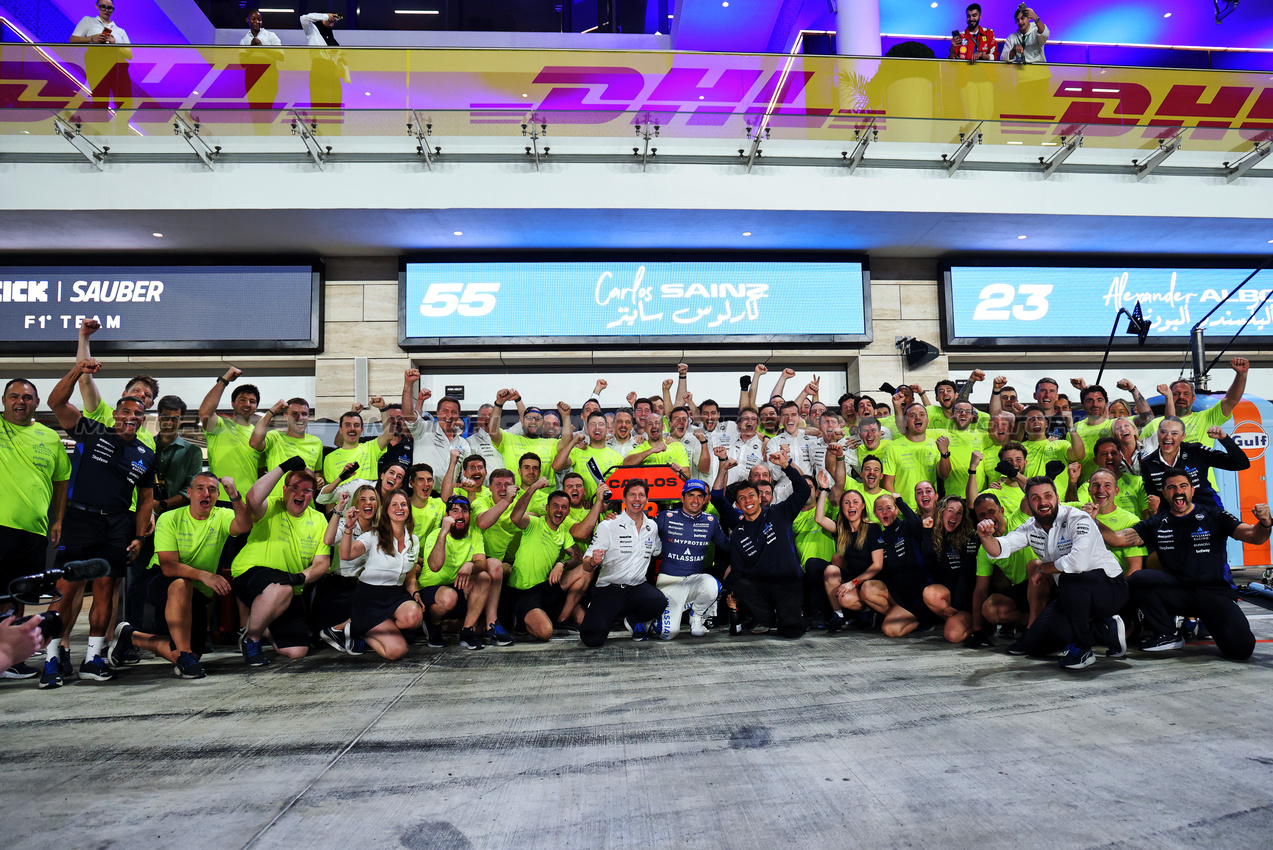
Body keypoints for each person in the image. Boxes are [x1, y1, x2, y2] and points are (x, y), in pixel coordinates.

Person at [42, 359, 156, 688]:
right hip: (81, 520)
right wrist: (78, 370)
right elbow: (56, 403)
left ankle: (94, 658)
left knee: (106, 590)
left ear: (142, 418)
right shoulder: (92, 430)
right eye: (126, 411)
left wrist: (138, 536)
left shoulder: (145, 454)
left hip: (117, 527)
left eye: (138, 413)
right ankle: (51, 659)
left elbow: (146, 498)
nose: (131, 417)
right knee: (65, 591)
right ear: (116, 413)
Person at [1092, 469, 1270, 660]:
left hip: (1214, 594)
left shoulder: (1214, 516)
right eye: (1171, 487)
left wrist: (1265, 523)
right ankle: (1167, 634)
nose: (1178, 491)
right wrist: (1094, 520)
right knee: (1139, 579)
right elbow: (1117, 539)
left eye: (1183, 486)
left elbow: (1254, 536)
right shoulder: (1157, 522)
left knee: (1241, 650)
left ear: (1192, 491)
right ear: (1165, 493)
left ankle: (1209, 622)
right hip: (1178, 593)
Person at [107, 472, 252, 679]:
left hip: (196, 593)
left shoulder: (221, 515)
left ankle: (131, 637)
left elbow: (245, 525)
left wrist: (235, 496)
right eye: (200, 488)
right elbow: (168, 566)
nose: (206, 494)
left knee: (196, 655)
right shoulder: (170, 518)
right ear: (190, 493)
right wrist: (205, 576)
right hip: (159, 581)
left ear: (218, 495)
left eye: (212, 490)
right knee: (181, 585)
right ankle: (184, 655)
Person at [977, 476, 1127, 670]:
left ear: (1057, 497)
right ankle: (1104, 629)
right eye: (1035, 498)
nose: (1043, 502)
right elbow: (1000, 547)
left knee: (1069, 578)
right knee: (1034, 645)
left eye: (1047, 496)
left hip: (1108, 588)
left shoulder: (1078, 518)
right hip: (1072, 596)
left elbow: (1078, 562)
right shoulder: (1031, 527)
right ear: (1028, 503)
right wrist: (986, 537)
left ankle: (1083, 649)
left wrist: (1043, 568)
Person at [0, 378, 70, 678]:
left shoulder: (49, 437)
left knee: (17, 596)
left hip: (33, 531)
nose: (20, 402)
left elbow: (62, 479)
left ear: (36, 403)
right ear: (4, 400)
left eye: (27, 397)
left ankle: (11, 658)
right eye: (14, 396)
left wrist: (59, 519)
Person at [231, 459, 330, 666]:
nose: (300, 494)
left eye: (307, 490)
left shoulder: (319, 519)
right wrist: (283, 467)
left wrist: (301, 576)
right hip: (250, 572)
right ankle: (251, 639)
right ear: (284, 489)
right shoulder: (271, 505)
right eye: (295, 488)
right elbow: (252, 498)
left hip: (289, 584)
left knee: (296, 651)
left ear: (313, 495)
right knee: (281, 589)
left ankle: (262, 622)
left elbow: (322, 563)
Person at [711, 447, 810, 638]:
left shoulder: (779, 513)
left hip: (786, 583)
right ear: (738, 505)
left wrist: (785, 465)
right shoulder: (737, 527)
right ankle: (766, 617)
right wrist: (723, 467)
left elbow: (803, 490)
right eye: (742, 498)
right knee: (736, 581)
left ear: (760, 498)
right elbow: (716, 497)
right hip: (759, 585)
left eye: (751, 496)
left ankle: (792, 615)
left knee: (791, 631)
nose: (747, 500)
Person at [507, 478, 607, 641]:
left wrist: (562, 564)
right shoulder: (534, 523)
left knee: (587, 570)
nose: (559, 510)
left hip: (546, 588)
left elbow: (578, 558)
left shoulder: (563, 532)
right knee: (545, 632)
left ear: (568, 511)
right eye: (555, 506)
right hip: (523, 593)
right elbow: (516, 517)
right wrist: (533, 488)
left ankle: (561, 620)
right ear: (547, 508)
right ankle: (524, 622)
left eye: (564, 507)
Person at [579, 480, 666, 646]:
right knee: (591, 640)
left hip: (637, 588)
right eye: (632, 495)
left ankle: (633, 620)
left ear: (647, 500)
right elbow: (585, 564)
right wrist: (593, 561)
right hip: (610, 589)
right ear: (624, 499)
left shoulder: (652, 527)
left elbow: (658, 550)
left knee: (659, 601)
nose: (637, 499)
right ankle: (600, 609)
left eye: (641, 495)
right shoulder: (608, 525)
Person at [339, 489, 423, 661]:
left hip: (394, 595)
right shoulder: (373, 535)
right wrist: (348, 528)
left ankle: (368, 629)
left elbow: (410, 577)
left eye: (403, 504)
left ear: (409, 510)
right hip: (368, 597)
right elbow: (346, 554)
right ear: (386, 510)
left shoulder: (413, 539)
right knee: (397, 652)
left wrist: (415, 593)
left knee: (414, 617)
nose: (400, 508)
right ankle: (359, 629)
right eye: (394, 505)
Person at [651, 479, 728, 639]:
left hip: (694, 580)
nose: (695, 500)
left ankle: (697, 617)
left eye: (700, 496)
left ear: (705, 499)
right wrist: (615, 520)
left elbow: (728, 545)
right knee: (668, 634)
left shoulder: (710, 521)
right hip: (668, 582)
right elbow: (642, 531)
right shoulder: (665, 517)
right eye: (691, 495)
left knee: (713, 585)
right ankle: (649, 619)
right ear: (682, 498)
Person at [419, 495, 491, 650]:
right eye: (455, 511)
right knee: (448, 597)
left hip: (457, 586)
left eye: (464, 511)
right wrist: (443, 533)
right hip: (432, 589)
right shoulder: (436, 534)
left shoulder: (474, 533)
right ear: (447, 516)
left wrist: (470, 565)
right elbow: (435, 566)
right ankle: (434, 625)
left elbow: (482, 563)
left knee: (483, 578)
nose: (460, 516)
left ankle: (467, 632)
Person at [858, 493, 934, 638]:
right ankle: (909, 618)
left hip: (918, 592)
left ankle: (924, 618)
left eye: (888, 508)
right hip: (899, 594)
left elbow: (917, 523)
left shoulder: (907, 526)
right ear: (875, 514)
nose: (885, 512)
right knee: (867, 588)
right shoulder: (882, 536)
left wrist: (899, 500)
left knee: (890, 630)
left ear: (896, 510)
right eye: (880, 509)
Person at [964, 492, 1035, 647]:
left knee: (1035, 566)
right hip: (1020, 591)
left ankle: (1035, 627)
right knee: (990, 609)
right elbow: (980, 590)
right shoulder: (984, 549)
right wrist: (977, 629)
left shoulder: (1019, 519)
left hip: (1042, 583)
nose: (988, 518)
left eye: (991, 511)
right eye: (982, 515)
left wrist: (1016, 475)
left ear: (1002, 511)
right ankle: (1030, 620)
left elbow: (1031, 494)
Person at [316, 485, 379, 655]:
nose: (368, 503)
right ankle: (347, 631)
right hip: (340, 584)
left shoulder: (380, 528)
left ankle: (353, 633)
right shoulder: (346, 521)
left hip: (364, 585)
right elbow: (328, 540)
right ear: (356, 504)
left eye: (372, 499)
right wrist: (339, 509)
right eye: (363, 499)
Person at [1141, 419, 1249, 512]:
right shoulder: (1148, 463)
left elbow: (1241, 464)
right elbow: (1154, 498)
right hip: (1176, 520)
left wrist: (1224, 439)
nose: (1168, 437)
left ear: (1183, 436)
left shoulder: (1196, 451)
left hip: (1208, 512)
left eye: (1174, 433)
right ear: (1157, 434)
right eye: (1163, 432)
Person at [815, 488, 885, 628]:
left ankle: (871, 609)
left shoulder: (872, 528)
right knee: (830, 570)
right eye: (846, 503)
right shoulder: (843, 530)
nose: (851, 506)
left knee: (846, 599)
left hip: (870, 581)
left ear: (863, 506)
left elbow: (877, 565)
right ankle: (839, 615)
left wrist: (853, 583)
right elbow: (819, 519)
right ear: (842, 507)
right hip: (853, 577)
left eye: (855, 502)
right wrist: (823, 490)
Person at [199, 367, 264, 506]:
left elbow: (260, 473)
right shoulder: (219, 425)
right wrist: (225, 379)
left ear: (256, 407)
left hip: (249, 501)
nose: (247, 404)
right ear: (233, 403)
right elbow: (205, 411)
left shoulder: (258, 436)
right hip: (220, 499)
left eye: (252, 401)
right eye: (242, 400)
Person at [921, 496, 979, 644]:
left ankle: (980, 624)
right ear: (941, 512)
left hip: (968, 599)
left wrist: (956, 606)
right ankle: (956, 621)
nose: (954, 516)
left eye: (959, 513)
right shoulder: (938, 534)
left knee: (952, 636)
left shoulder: (970, 536)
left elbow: (966, 576)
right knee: (929, 592)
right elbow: (929, 562)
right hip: (950, 594)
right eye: (950, 510)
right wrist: (927, 532)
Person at [401, 369, 469, 488]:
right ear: (437, 413)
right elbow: (408, 414)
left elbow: (465, 474)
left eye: (454, 412)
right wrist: (408, 384)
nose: (449, 416)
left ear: (458, 415)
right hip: (421, 494)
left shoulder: (463, 443)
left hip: (448, 496)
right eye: (445, 411)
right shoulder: (425, 429)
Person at [250, 397, 324, 499]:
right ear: (285, 416)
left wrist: (319, 479)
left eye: (304, 414)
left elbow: (317, 473)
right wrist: (272, 411)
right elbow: (254, 442)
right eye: (294, 414)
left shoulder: (317, 442)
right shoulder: (275, 437)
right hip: (276, 503)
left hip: (305, 504)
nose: (300, 417)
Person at [70, 1, 132, 110]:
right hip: (96, 64)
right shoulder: (88, 20)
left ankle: (122, 127)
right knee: (100, 99)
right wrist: (92, 38)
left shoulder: (120, 30)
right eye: (103, 7)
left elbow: (129, 55)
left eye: (109, 8)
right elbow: (73, 39)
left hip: (118, 67)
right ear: (97, 6)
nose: (106, 10)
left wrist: (114, 44)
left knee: (125, 102)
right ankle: (101, 124)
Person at [882, 404, 950, 501]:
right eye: (912, 415)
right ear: (905, 422)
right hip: (904, 510)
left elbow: (944, 475)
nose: (918, 417)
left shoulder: (936, 445)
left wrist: (944, 454)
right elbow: (888, 483)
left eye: (922, 415)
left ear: (928, 421)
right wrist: (899, 506)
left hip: (929, 509)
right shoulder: (893, 447)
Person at [553, 411, 624, 501]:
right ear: (586, 429)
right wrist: (573, 442)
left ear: (607, 429)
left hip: (607, 511)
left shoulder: (617, 457)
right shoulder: (578, 451)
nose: (597, 428)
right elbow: (556, 466)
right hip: (582, 509)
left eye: (601, 424)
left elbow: (620, 491)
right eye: (592, 424)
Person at [152, 396, 203, 517]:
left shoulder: (193, 452)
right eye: (165, 417)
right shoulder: (146, 446)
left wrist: (162, 504)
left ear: (182, 419)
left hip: (178, 516)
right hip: (145, 514)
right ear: (159, 417)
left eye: (175, 418)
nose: (169, 423)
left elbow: (192, 488)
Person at [322, 409, 393, 487]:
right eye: (347, 425)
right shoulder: (329, 458)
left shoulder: (370, 448)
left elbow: (388, 435)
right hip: (342, 498)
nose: (352, 428)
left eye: (356, 425)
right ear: (341, 430)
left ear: (361, 430)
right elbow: (330, 490)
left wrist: (382, 408)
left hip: (368, 498)